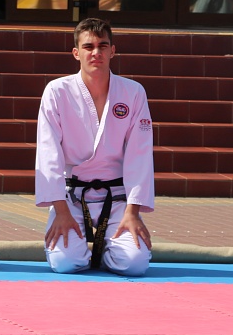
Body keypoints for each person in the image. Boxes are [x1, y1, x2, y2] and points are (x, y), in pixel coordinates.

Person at [35, 18, 154, 276]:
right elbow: (48, 153)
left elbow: (140, 154)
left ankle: (105, 251)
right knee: (66, 263)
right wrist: (60, 211)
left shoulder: (133, 92)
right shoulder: (57, 91)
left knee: (134, 264)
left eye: (103, 46)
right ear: (76, 53)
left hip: (118, 194)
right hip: (72, 195)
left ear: (113, 51)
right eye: (88, 47)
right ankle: (83, 249)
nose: (96, 52)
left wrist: (133, 211)